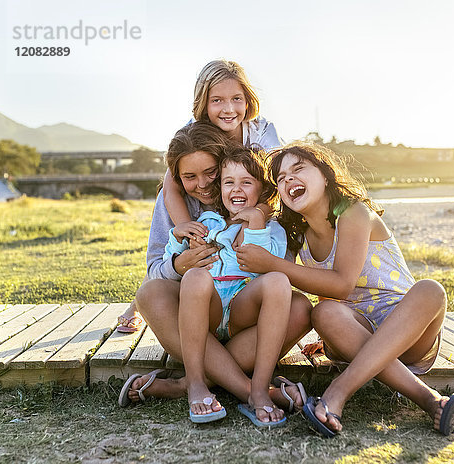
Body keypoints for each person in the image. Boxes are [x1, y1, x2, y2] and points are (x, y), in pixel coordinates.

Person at [236, 143, 454, 437]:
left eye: (298, 170)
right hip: (353, 330)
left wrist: (272, 263)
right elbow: (310, 290)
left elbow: (342, 283)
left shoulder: (353, 212)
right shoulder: (295, 234)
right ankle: (432, 401)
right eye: (281, 179)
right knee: (323, 312)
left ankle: (338, 392)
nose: (288, 180)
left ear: (324, 176)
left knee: (431, 290)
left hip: (405, 330)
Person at [118, 122, 311, 424]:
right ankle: (238, 390)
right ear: (179, 180)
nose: (205, 184)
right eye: (190, 177)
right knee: (158, 290)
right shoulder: (204, 218)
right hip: (199, 318)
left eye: (211, 174)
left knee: (296, 302)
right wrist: (179, 257)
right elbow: (159, 265)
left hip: (243, 318)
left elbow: (271, 264)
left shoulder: (269, 218)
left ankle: (187, 384)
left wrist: (258, 219)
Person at [117, 59, 282, 332]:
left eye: (236, 99)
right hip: (208, 205)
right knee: (181, 243)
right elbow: (172, 185)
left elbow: (274, 182)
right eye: (217, 100)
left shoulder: (260, 133)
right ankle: (144, 298)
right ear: (203, 103)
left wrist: (259, 213)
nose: (228, 109)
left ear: (248, 100)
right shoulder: (192, 130)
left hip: (246, 195)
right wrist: (186, 228)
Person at [163, 146, 291, 425]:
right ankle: (196, 383)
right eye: (229, 182)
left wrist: (256, 224)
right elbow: (169, 261)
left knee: (279, 282)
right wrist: (177, 236)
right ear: (219, 186)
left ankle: (259, 388)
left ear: (263, 190)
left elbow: (261, 265)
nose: (237, 189)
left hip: (241, 307)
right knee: (196, 276)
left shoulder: (272, 228)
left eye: (246, 182)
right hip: (207, 310)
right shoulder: (206, 221)